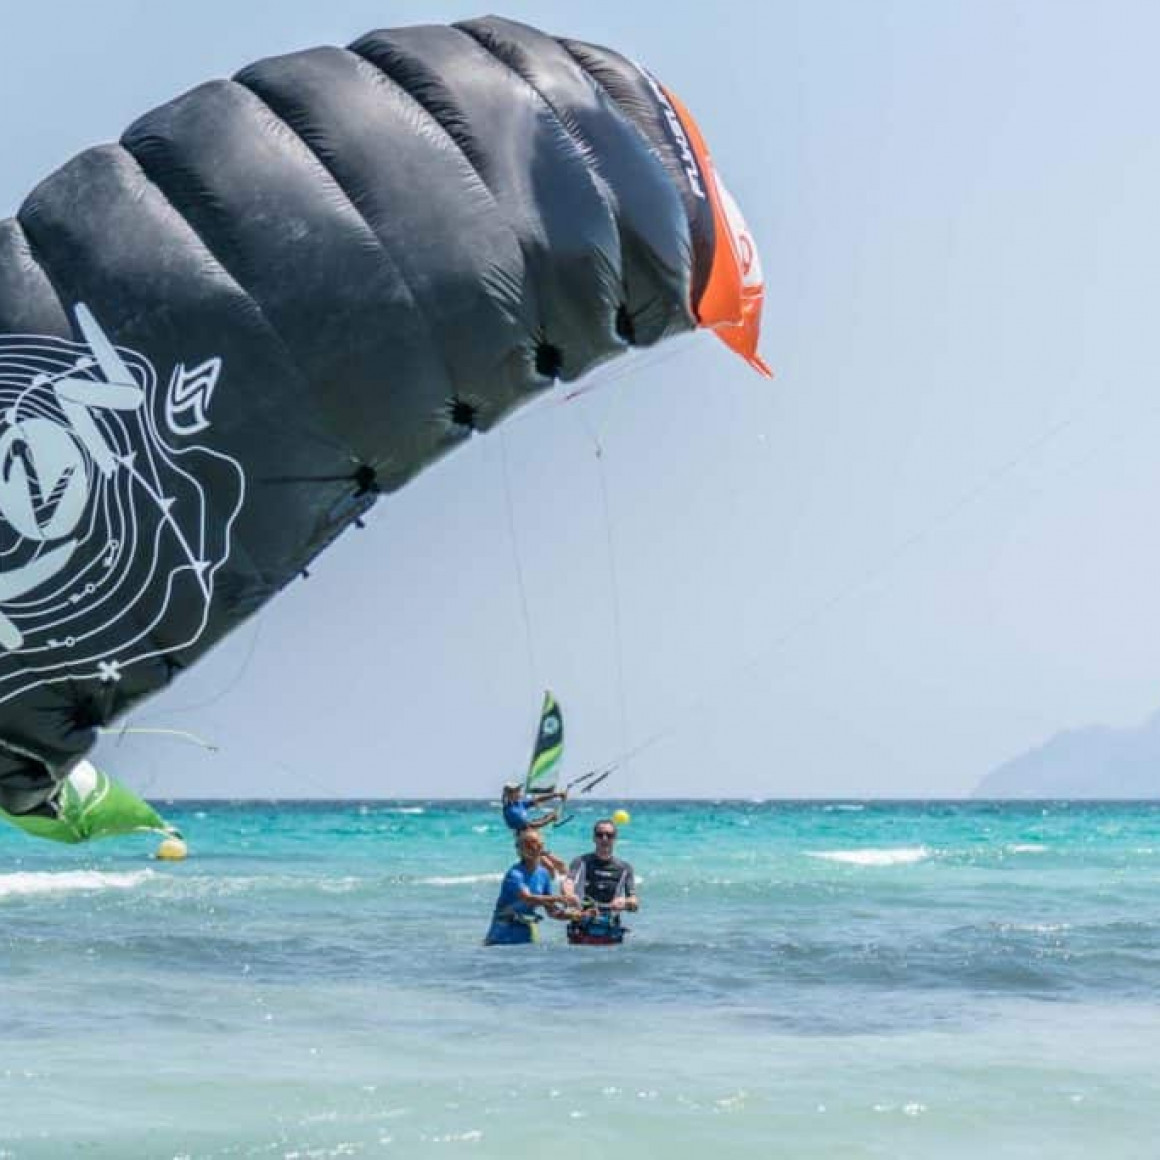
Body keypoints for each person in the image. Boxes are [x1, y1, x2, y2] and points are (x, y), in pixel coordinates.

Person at [484, 829, 569, 946]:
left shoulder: (543, 874)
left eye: (535, 843)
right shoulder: (514, 874)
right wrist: (561, 898)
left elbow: (552, 911)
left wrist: (578, 915)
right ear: (519, 849)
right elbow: (528, 898)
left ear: (542, 846)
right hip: (501, 937)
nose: (532, 847)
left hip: (526, 935)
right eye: (527, 845)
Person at [565, 819, 638, 945]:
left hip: (610, 930)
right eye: (600, 835)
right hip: (582, 928)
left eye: (609, 835)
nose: (604, 839)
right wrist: (569, 895)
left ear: (615, 839)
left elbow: (634, 902)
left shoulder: (625, 868)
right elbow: (568, 882)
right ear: (594, 838)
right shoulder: (580, 862)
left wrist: (625, 903)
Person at [501, 781, 568, 877]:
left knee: (560, 864)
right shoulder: (510, 810)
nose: (520, 792)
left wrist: (556, 795)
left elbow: (537, 800)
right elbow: (530, 825)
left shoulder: (519, 804)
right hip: (526, 846)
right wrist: (549, 818)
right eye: (517, 791)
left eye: (519, 790)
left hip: (535, 842)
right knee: (550, 868)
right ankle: (546, 886)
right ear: (510, 794)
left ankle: (567, 883)